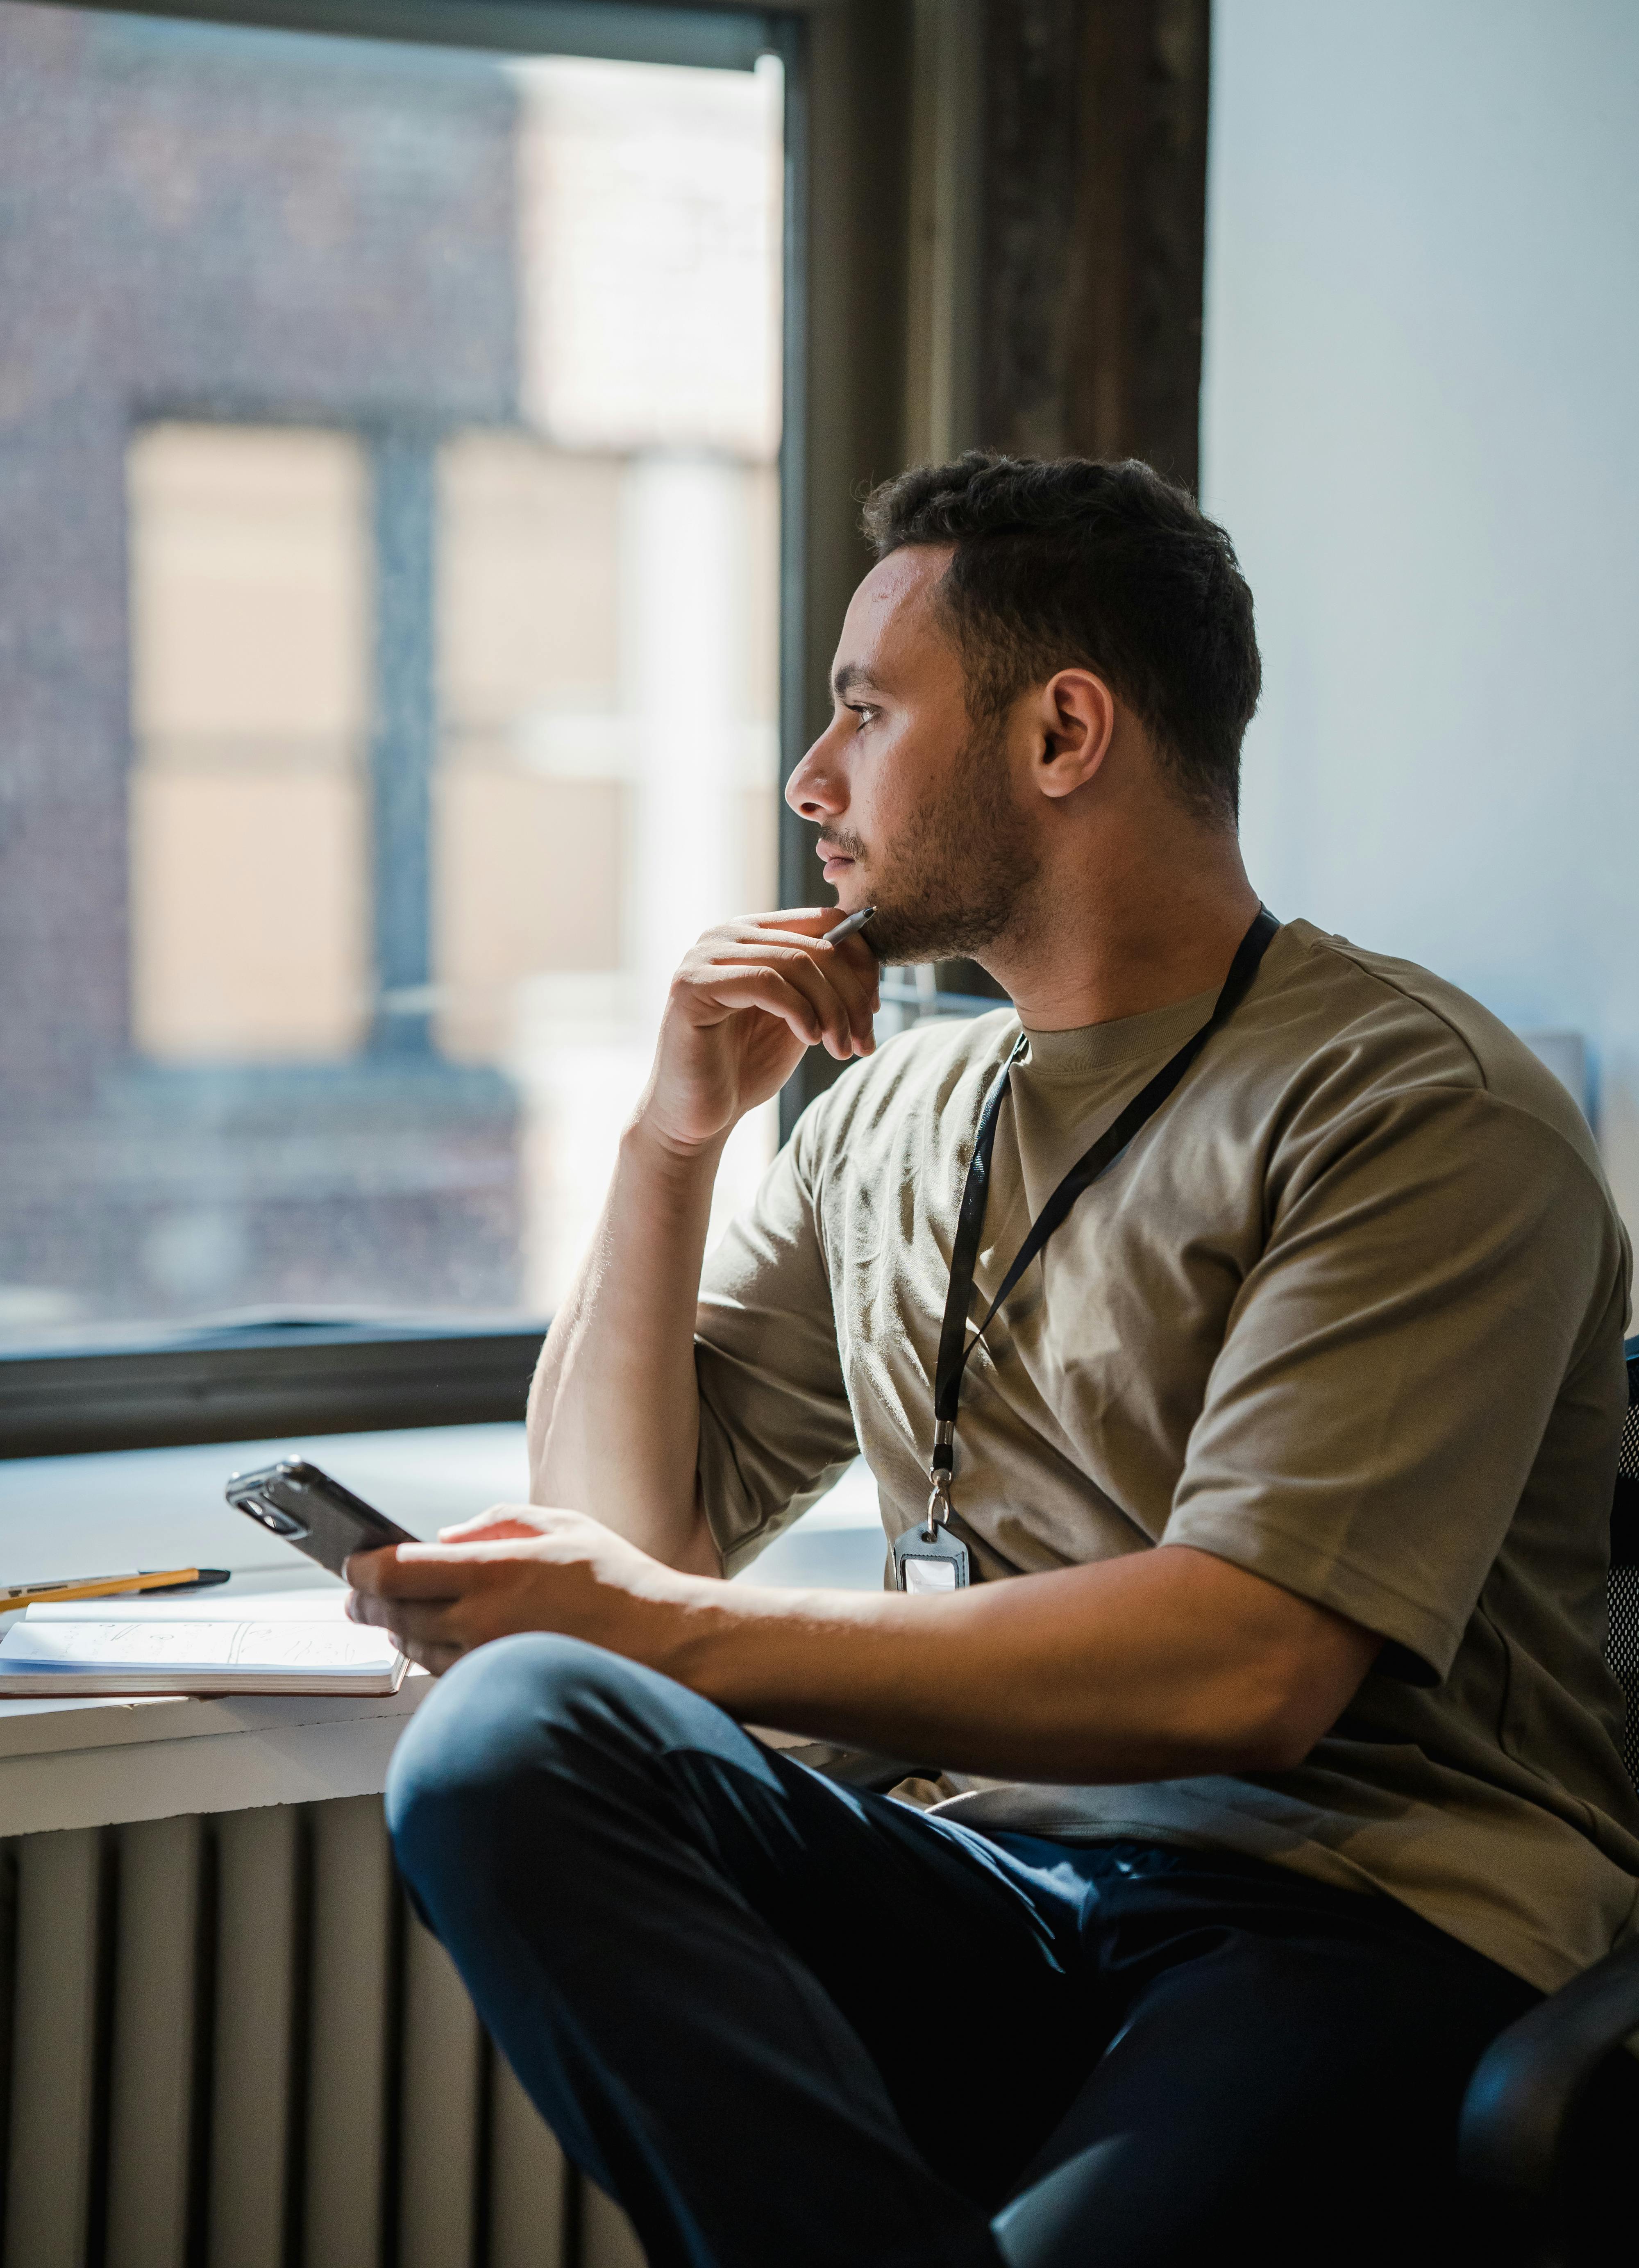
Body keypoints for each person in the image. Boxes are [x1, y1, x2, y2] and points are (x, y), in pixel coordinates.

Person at [351, 455, 1639, 2268]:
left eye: (865, 715)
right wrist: (668, 1148)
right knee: (509, 1731)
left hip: (1353, 1909)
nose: (809, 782)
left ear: (1062, 734)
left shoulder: (1414, 1105)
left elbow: (1245, 1671)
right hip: (992, 1881)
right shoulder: (892, 1109)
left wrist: (668, 1627)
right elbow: (628, 1540)